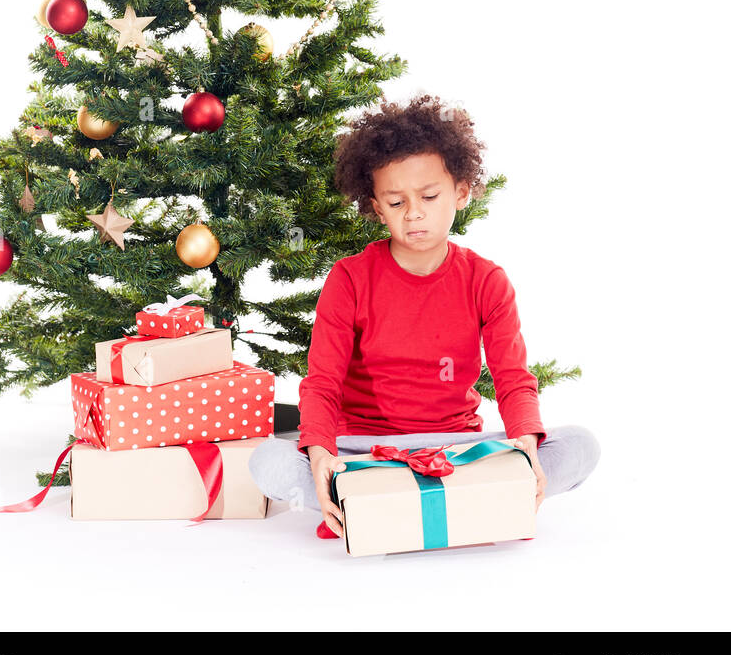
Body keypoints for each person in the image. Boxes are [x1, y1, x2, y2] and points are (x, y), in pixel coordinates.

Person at [249, 95, 600, 537]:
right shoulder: (349, 278)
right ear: (376, 208)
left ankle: (385, 503)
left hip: (456, 447)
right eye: (395, 203)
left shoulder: (486, 280)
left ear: (461, 192)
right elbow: (323, 381)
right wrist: (320, 454)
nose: (414, 212)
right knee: (267, 462)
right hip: (363, 448)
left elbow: (513, 377)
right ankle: (427, 496)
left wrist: (526, 443)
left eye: (429, 196)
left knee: (580, 446)